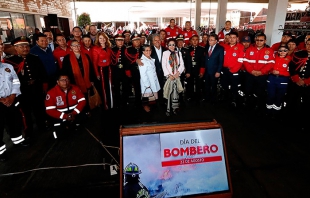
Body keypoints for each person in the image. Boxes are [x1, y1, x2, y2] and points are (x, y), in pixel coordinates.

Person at [4, 36, 48, 140]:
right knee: (25, 112)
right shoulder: (10, 61)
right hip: (22, 90)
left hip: (36, 87)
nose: (25, 48)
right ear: (15, 48)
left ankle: (42, 125)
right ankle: (28, 131)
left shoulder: (35, 58)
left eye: (27, 46)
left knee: (39, 108)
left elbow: (43, 73)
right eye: (22, 46)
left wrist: (44, 85)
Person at [0, 60, 30, 161]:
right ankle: (1, 152)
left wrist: (12, 96)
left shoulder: (8, 66)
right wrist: (2, 99)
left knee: (14, 121)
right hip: (1, 101)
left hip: (11, 100)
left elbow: (16, 82)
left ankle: (17, 140)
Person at [45, 73, 86, 139]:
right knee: (61, 135)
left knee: (81, 128)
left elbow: (82, 101)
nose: (65, 82)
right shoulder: (51, 93)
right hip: (60, 116)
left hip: (74, 113)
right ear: (58, 82)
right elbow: (49, 110)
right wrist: (65, 116)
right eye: (62, 80)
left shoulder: (75, 88)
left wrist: (74, 113)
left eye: (67, 79)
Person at [243, 33, 275, 113]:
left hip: (262, 76)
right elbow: (245, 61)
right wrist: (252, 71)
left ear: (265, 41)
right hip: (250, 75)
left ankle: (258, 106)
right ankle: (248, 105)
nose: (259, 42)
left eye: (261, 40)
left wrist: (261, 72)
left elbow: (271, 63)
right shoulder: (249, 49)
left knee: (260, 92)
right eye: (257, 40)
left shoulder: (269, 51)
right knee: (248, 91)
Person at [61, 39, 95, 115]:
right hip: (74, 81)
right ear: (71, 47)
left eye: (78, 45)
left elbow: (91, 69)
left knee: (86, 97)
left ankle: (87, 111)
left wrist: (92, 80)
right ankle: (79, 112)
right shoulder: (67, 58)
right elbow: (64, 71)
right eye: (74, 45)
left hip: (86, 81)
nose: (76, 47)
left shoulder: (86, 56)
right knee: (76, 97)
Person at [286, 38, 310, 131]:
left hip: (308, 85)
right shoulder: (298, 54)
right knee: (292, 101)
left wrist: (306, 81)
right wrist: (296, 79)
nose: (309, 46)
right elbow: (292, 67)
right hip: (296, 83)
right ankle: (290, 120)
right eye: (307, 44)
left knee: (307, 105)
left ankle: (304, 123)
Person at [266, 45, 291, 120]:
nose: (282, 52)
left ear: (288, 51)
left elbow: (290, 72)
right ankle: (268, 110)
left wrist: (280, 72)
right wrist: (271, 71)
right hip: (272, 78)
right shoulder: (273, 57)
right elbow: (268, 66)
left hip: (283, 80)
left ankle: (275, 112)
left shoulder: (290, 59)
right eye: (280, 50)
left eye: (285, 50)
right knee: (271, 95)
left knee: (279, 96)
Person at [91, 32, 114, 110]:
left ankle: (111, 104)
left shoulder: (108, 47)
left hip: (109, 68)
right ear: (98, 39)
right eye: (100, 38)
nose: (102, 40)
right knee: (104, 88)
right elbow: (94, 63)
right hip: (101, 69)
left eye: (104, 38)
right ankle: (105, 106)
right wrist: (97, 74)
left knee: (110, 87)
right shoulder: (95, 48)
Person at [220, 32, 244, 107]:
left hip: (234, 71)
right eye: (230, 37)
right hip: (224, 70)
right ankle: (225, 98)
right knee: (224, 85)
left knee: (234, 86)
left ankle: (234, 100)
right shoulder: (224, 46)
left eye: (234, 37)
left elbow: (240, 60)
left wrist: (234, 70)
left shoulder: (240, 47)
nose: (232, 39)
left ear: (237, 39)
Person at [162, 38, 185, 116]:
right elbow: (164, 65)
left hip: (176, 76)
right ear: (167, 45)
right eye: (170, 45)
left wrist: (178, 73)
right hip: (169, 77)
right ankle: (168, 109)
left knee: (176, 93)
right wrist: (169, 75)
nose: (172, 46)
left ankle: (175, 108)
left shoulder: (178, 53)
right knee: (169, 92)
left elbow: (182, 64)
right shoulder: (165, 53)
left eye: (173, 45)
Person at [202, 33, 224, 103]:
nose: (210, 41)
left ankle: (213, 99)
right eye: (209, 40)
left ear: (216, 41)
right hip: (207, 70)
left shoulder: (220, 49)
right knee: (206, 85)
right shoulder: (207, 47)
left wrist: (218, 71)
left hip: (214, 71)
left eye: (212, 40)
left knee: (214, 86)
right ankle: (207, 98)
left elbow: (221, 61)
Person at [138, 44, 161, 112]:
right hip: (147, 84)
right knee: (146, 100)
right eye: (146, 50)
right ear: (143, 52)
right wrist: (147, 85)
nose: (148, 52)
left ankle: (153, 111)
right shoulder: (142, 61)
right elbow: (143, 75)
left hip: (153, 82)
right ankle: (147, 112)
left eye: (149, 50)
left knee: (153, 99)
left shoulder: (150, 58)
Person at [111, 34, 130, 109]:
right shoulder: (112, 49)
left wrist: (128, 70)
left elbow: (128, 60)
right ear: (115, 41)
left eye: (122, 40)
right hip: (116, 71)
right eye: (118, 40)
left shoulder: (127, 49)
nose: (120, 42)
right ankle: (117, 102)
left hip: (125, 71)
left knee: (126, 87)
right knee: (116, 87)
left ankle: (125, 101)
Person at [124, 33, 143, 108]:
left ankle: (144, 101)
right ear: (132, 42)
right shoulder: (128, 50)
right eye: (135, 41)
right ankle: (137, 102)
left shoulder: (143, 48)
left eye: (138, 40)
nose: (137, 42)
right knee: (136, 86)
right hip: (134, 70)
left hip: (143, 71)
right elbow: (126, 61)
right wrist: (128, 70)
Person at [186, 35, 205, 103]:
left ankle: (198, 97)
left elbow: (203, 61)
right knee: (189, 83)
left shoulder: (202, 49)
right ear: (191, 41)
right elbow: (186, 61)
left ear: (198, 41)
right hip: (190, 70)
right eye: (193, 39)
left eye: (196, 39)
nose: (194, 41)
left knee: (199, 84)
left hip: (198, 69)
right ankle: (189, 96)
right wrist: (187, 71)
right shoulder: (187, 49)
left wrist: (202, 71)